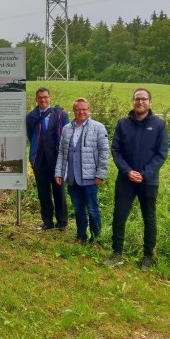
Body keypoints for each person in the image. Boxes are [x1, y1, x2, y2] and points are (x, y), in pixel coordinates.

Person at [104, 88, 169, 271]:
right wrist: (127, 171)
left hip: (148, 181)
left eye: (144, 99)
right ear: (133, 101)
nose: (140, 102)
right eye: (137, 99)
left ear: (150, 102)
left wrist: (145, 173)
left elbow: (161, 153)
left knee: (149, 218)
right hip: (126, 180)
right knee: (119, 216)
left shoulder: (159, 125)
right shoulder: (123, 123)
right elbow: (116, 150)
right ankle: (117, 253)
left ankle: (147, 257)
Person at [54, 97, 109, 244]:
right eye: (77, 109)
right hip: (71, 177)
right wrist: (58, 172)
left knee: (92, 209)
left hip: (90, 177)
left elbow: (104, 153)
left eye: (84, 109)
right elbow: (61, 153)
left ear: (89, 110)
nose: (81, 112)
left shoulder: (98, 127)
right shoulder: (67, 128)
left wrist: (100, 174)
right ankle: (81, 237)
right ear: (73, 111)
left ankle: (96, 239)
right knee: (78, 209)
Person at [27, 87, 70, 231]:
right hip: (39, 160)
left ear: (50, 98)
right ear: (36, 99)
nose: (43, 100)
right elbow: (31, 136)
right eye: (40, 98)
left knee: (59, 191)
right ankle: (47, 222)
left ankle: (62, 222)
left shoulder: (60, 115)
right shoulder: (31, 117)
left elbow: (66, 135)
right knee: (43, 192)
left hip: (56, 159)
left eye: (45, 97)